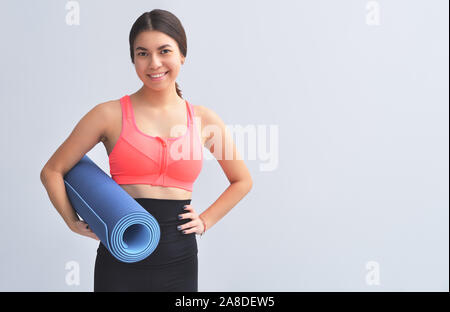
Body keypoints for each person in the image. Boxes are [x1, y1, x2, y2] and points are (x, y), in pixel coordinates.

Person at [40, 9, 253, 292]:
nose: (154, 63)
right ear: (133, 59)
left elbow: (242, 180)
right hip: (120, 253)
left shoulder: (204, 120)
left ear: (182, 55)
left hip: (180, 257)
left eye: (164, 51)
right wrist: (72, 221)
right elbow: (53, 170)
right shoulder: (107, 115)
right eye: (142, 53)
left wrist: (205, 220)